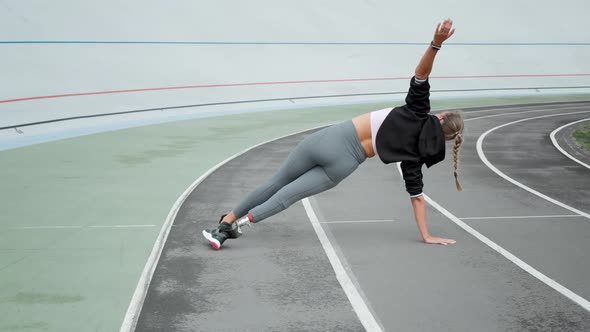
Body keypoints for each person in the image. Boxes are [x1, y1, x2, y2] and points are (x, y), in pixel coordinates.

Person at [203, 18, 463, 250]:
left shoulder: (418, 109)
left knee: (276, 183)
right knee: (288, 196)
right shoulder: (417, 155)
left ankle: (227, 220)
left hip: (332, 138)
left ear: (440, 117)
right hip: (345, 162)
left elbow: (421, 73)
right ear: (446, 138)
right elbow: (417, 199)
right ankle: (232, 229)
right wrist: (427, 235)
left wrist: (436, 44)